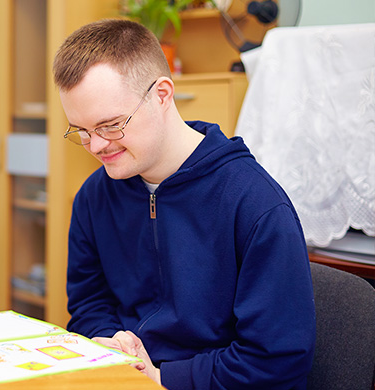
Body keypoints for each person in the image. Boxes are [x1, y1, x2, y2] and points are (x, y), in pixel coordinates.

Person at [53, 19, 315, 389]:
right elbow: (88, 304)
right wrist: (109, 342)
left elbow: (275, 359)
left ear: (162, 95)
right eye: (81, 131)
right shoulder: (95, 197)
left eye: (110, 126)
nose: (96, 146)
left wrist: (164, 378)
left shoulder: (255, 205)